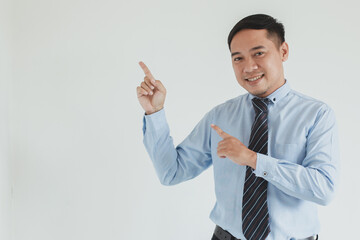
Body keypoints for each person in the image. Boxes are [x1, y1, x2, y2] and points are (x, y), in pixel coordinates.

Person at [136, 14, 339, 240]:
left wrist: (253, 159)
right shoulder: (220, 116)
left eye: (258, 53)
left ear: (283, 52)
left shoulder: (317, 115)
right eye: (238, 58)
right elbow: (171, 173)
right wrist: (155, 113)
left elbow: (324, 189)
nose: (248, 67)